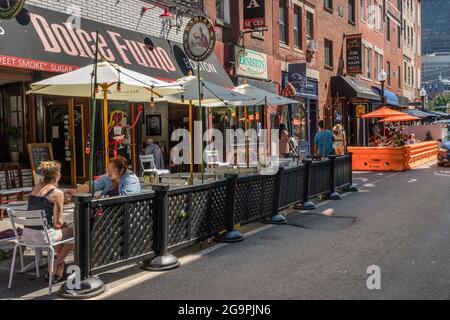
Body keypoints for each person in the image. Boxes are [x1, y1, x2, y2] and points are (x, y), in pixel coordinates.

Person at [24, 161, 73, 283]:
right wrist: (63, 225)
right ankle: (56, 264)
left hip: (26, 235)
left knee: (55, 230)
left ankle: (59, 267)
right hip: (43, 236)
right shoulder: (57, 193)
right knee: (74, 233)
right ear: (57, 175)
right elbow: (58, 222)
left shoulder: (34, 188)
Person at [67, 156, 141, 197]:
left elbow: (127, 198)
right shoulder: (108, 177)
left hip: (126, 216)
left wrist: (103, 198)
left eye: (112, 170)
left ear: (121, 170)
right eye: (107, 169)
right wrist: (76, 191)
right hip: (109, 214)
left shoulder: (131, 180)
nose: (108, 172)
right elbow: (93, 185)